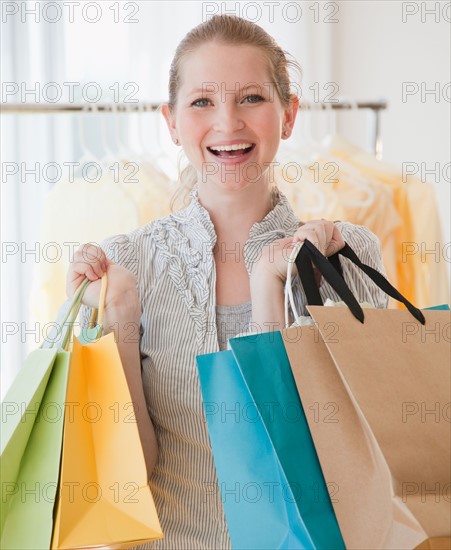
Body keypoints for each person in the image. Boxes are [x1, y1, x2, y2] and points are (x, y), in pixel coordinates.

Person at [67, 15, 388, 550]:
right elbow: (125, 483)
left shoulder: (344, 256)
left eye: (251, 98)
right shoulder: (125, 267)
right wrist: (117, 324)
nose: (228, 123)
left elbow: (353, 460)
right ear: (170, 122)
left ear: (288, 115)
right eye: (202, 102)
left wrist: (269, 291)